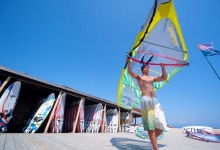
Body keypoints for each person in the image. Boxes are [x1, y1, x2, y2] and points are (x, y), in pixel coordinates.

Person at [126, 58, 167, 150]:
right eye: (145, 67)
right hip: (146, 100)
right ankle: (156, 148)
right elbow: (130, 72)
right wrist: (129, 62)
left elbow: (164, 77)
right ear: (142, 70)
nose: (147, 69)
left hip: (155, 101)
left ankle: (152, 139)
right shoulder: (140, 77)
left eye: (148, 67)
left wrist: (163, 68)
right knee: (150, 126)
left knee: (162, 124)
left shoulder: (152, 78)